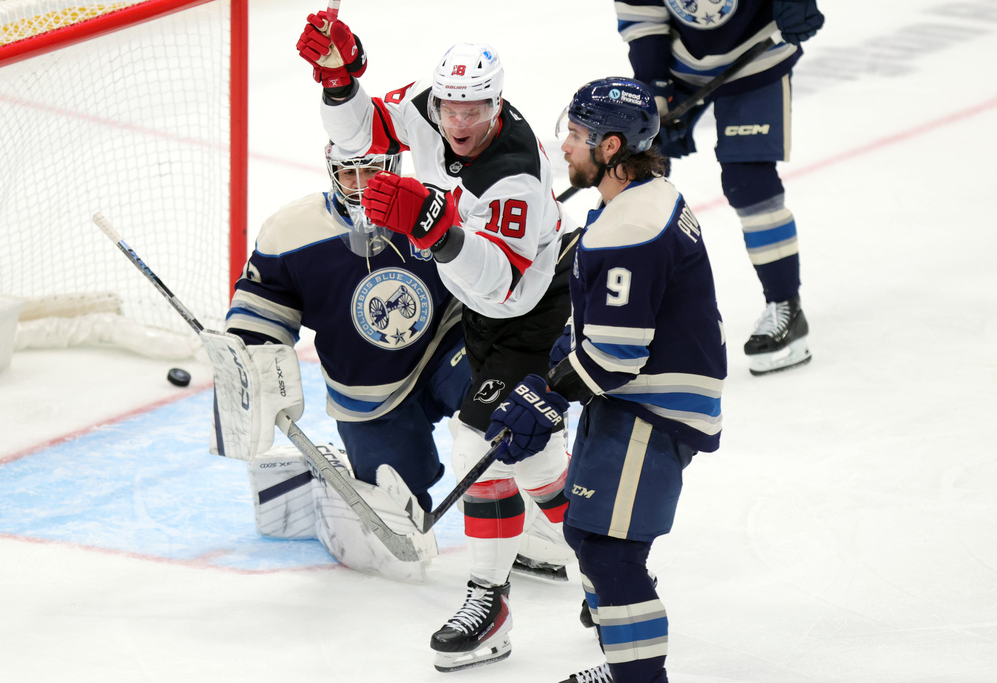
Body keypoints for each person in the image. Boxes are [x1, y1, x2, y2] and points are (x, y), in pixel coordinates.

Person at [297, 12, 576, 672]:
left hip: (525, 313)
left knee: (480, 445)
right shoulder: (430, 104)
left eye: (475, 107)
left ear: (497, 102)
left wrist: (438, 231)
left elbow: (502, 288)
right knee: (525, 462)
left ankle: (492, 599)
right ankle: (602, 560)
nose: (458, 120)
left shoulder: (512, 171)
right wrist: (340, 83)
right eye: (452, 104)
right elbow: (367, 134)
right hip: (476, 309)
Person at [487, 77, 727, 683]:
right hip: (637, 397)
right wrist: (556, 373)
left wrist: (546, 397)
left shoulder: (630, 228)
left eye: (576, 135)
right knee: (588, 531)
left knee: (608, 548)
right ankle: (627, 663)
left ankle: (639, 677)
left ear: (612, 146)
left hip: (653, 405)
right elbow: (604, 327)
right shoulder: (638, 197)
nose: (564, 146)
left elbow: (618, 355)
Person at [222, 144, 470, 581]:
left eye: (370, 171)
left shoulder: (437, 206)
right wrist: (252, 358)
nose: (359, 185)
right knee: (395, 521)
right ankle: (338, 483)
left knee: (494, 412)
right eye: (348, 173)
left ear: (393, 165)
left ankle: (527, 522)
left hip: (448, 345)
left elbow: (492, 270)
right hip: (366, 387)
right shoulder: (292, 230)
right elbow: (264, 305)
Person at [614, 0, 825, 375]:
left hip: (758, 58)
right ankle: (634, 311)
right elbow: (642, 17)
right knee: (641, 170)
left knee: (749, 181)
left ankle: (785, 307)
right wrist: (655, 89)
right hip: (678, 62)